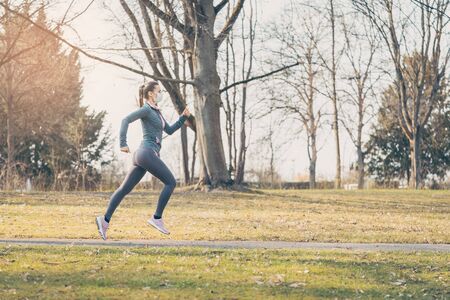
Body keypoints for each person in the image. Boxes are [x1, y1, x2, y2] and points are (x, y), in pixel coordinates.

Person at [96, 81, 190, 240]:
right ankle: (157, 218)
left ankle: (104, 221)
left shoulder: (157, 112)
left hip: (142, 155)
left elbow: (169, 130)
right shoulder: (146, 110)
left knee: (124, 189)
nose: (160, 94)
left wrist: (183, 118)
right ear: (151, 94)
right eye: (159, 91)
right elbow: (125, 120)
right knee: (171, 182)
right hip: (146, 153)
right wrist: (123, 143)